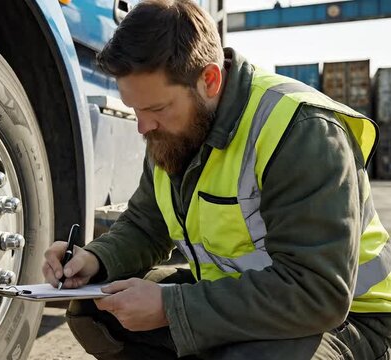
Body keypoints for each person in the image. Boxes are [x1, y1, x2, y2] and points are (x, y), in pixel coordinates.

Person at [41, 0, 391, 359]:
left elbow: (317, 291)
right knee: (97, 309)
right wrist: (94, 260)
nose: (143, 126)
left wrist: (172, 307)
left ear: (209, 79)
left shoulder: (302, 131)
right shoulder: (173, 130)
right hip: (239, 295)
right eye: (135, 110)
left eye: (156, 109)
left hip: (348, 318)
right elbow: (148, 224)